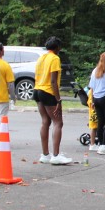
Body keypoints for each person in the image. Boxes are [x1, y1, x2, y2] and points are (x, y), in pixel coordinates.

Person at [33, 36, 71, 165]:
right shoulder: (54, 58)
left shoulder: (41, 58)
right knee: (58, 122)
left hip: (37, 90)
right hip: (48, 92)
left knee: (45, 121)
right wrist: (58, 100)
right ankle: (56, 156)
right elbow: (53, 81)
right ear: (57, 47)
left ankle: (45, 155)